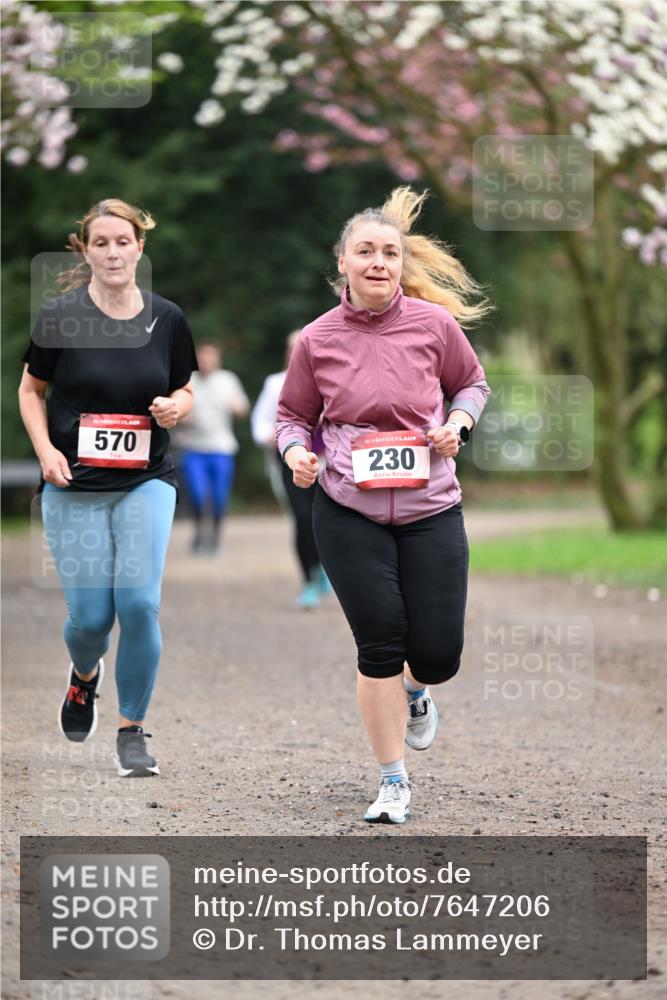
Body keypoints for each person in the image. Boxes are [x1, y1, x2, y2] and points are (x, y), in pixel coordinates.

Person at [276, 187, 491, 823]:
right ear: (342, 262)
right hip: (347, 509)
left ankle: (418, 692)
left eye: (389, 253)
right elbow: (292, 416)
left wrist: (458, 422)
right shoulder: (316, 340)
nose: (378, 262)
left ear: (401, 263)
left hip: (431, 506)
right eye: (364, 251)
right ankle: (392, 781)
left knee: (436, 655)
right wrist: (296, 454)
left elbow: (472, 384)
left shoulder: (434, 325)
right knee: (378, 641)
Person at [18, 198, 198, 778]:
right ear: (86, 250)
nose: (114, 251)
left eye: (124, 241)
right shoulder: (60, 316)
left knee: (140, 602)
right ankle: (84, 677)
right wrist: (46, 451)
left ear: (139, 248)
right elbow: (30, 390)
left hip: (147, 480)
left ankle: (132, 731)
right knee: (90, 621)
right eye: (102, 242)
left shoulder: (166, 318)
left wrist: (177, 406)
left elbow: (185, 389)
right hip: (73, 484)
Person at [251, 331, 330, 609]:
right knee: (302, 518)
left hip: (329, 463)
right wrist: (271, 436)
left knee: (326, 520)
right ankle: (308, 578)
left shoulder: (332, 378)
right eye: (294, 347)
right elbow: (259, 423)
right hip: (291, 463)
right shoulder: (275, 384)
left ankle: (324, 568)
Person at [174, 342, 249, 553]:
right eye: (203, 359)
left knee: (218, 497)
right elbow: (174, 410)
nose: (206, 363)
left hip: (221, 449)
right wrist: (181, 417)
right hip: (193, 448)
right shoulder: (188, 380)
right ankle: (199, 531)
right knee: (197, 495)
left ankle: (215, 537)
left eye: (210, 358)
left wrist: (237, 408)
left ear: (218, 360)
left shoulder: (228, 380)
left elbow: (243, 408)